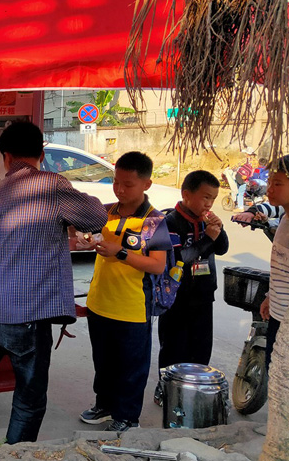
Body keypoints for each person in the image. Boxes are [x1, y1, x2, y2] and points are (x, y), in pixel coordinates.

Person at [0, 121, 108, 453]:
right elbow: (96, 217)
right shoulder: (51, 184)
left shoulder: (0, 189)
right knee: (29, 396)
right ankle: (16, 454)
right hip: (25, 313)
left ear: (7, 157)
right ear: (42, 153)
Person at [79, 151, 172, 432]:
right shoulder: (105, 211)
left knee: (131, 368)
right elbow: (85, 234)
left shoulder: (154, 221)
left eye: (127, 184)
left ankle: (128, 417)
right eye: (116, 182)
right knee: (103, 362)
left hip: (132, 308)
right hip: (99, 302)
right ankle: (105, 406)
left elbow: (157, 266)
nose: (119, 189)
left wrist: (120, 253)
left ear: (147, 184)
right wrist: (83, 240)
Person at [154, 170, 228, 404]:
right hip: (175, 298)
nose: (209, 204)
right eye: (205, 197)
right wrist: (207, 239)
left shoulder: (207, 221)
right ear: (186, 194)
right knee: (173, 348)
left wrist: (219, 231)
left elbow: (222, 248)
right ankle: (166, 390)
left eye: (213, 199)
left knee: (201, 347)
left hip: (204, 296)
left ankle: (193, 391)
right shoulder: (170, 222)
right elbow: (179, 258)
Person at [258, 156, 289, 461]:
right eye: (269, 182)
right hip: (278, 315)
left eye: (277, 184)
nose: (269, 190)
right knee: (274, 373)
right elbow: (281, 265)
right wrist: (270, 295)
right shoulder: (284, 219)